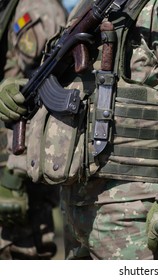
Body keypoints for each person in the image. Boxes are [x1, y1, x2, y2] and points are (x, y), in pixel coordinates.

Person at [0, 0, 158, 260]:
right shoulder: (86, 8)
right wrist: (23, 90)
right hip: (75, 203)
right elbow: (70, 88)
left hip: (132, 204)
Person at [0, 0, 66, 259]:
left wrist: (13, 175)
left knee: (20, 254)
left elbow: (42, 89)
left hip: (19, 167)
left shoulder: (36, 7)